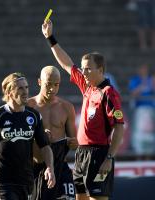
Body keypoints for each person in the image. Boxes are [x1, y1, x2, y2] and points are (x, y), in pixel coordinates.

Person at [42, 20, 124, 200]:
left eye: (88, 69)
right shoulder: (87, 86)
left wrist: (109, 158)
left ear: (100, 70)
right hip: (81, 154)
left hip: (99, 154)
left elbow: (119, 126)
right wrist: (50, 38)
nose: (83, 72)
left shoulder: (109, 94)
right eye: (83, 68)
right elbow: (66, 64)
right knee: (80, 197)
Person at [0, 72, 56, 200]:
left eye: (26, 87)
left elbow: (45, 146)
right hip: (3, 180)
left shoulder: (34, 116)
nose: (25, 92)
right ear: (9, 92)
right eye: (20, 88)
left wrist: (50, 168)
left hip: (27, 180)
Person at [27, 65, 77, 200]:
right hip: (37, 167)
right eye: (48, 84)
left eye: (56, 85)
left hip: (60, 166)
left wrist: (72, 142)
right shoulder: (28, 107)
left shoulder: (66, 107)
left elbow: (74, 143)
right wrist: (40, 138)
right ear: (39, 82)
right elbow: (19, 140)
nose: (52, 89)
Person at [128, 64, 155, 155]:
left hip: (151, 110)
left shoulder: (152, 80)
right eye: (142, 69)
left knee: (150, 134)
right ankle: (138, 156)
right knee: (139, 135)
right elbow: (133, 93)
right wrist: (142, 85)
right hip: (140, 110)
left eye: (145, 69)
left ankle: (150, 156)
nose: (144, 70)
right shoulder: (135, 80)